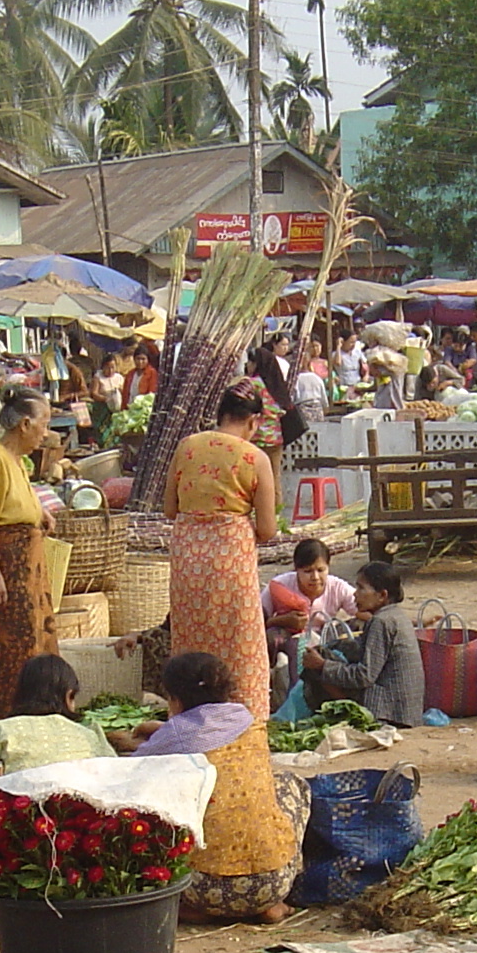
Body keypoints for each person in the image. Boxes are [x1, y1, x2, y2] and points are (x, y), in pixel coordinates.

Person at [160, 384, 301, 919]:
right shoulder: (255, 458)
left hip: (188, 556)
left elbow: (171, 506)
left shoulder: (187, 446)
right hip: (228, 556)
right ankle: (241, 736)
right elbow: (267, 528)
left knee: (192, 648)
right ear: (253, 421)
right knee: (242, 653)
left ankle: (190, 730)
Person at [132, 649, 312, 923]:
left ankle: (194, 911)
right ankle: (271, 904)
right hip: (274, 879)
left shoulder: (173, 737)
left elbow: (131, 773)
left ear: (175, 699)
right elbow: (205, 731)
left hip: (202, 889)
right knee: (291, 783)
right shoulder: (249, 721)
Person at [0, 390, 58, 744]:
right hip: (5, 565)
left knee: (32, 642)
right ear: (24, 424)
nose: (45, 433)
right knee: (3, 647)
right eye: (44, 424)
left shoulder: (16, 460)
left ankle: (24, 721)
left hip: (26, 566)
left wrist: (41, 513)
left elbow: (19, 502)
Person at [304, 560, 423, 729]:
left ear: (382, 595)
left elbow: (364, 676)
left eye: (361, 588)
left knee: (317, 670)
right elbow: (360, 646)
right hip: (407, 710)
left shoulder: (381, 622)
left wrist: (323, 665)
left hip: (390, 711)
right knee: (326, 656)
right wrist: (333, 645)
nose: (355, 595)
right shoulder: (396, 616)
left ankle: (356, 719)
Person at [0, 654, 115, 775]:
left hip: (22, 809)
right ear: (68, 695)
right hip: (79, 809)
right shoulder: (90, 734)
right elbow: (114, 775)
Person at [264, 537, 357, 671]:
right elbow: (257, 623)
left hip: (325, 639)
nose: (315, 577)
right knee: (272, 636)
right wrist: (282, 621)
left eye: (321, 570)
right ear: (296, 570)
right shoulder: (280, 585)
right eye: (307, 571)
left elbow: (364, 610)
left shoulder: (338, 587)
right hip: (288, 639)